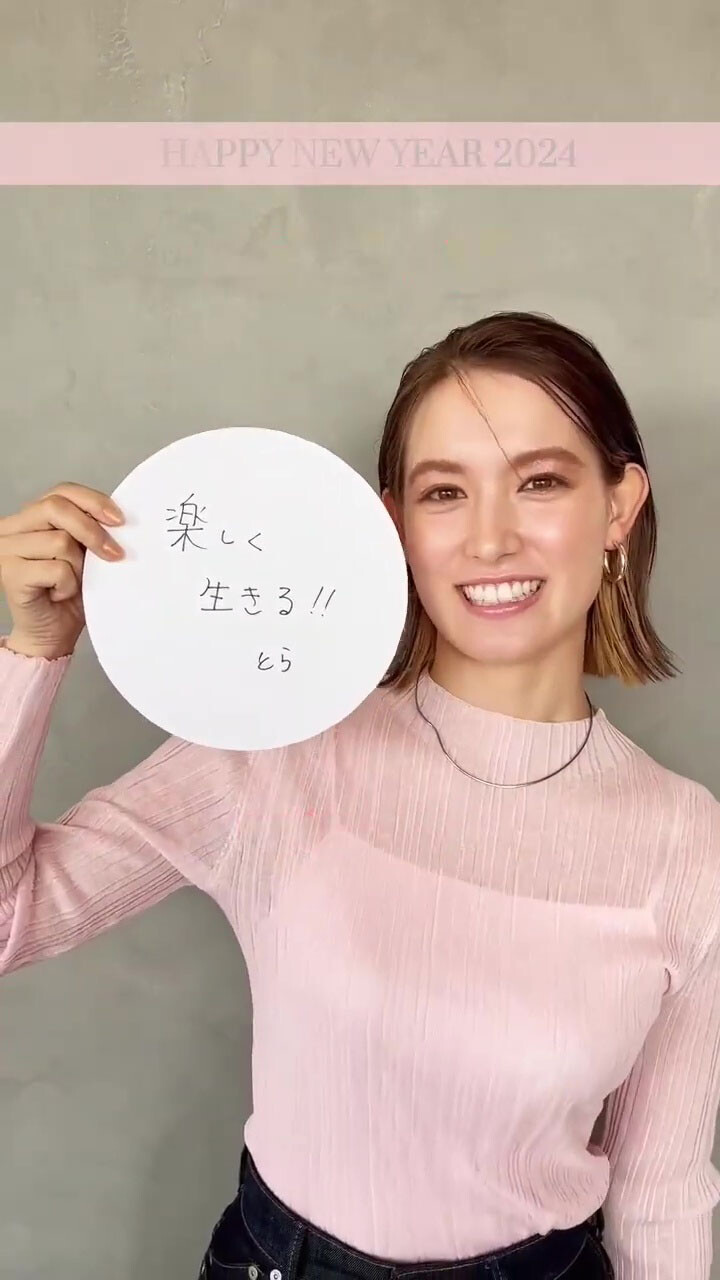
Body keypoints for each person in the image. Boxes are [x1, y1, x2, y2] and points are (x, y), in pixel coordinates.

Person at [1, 310, 719, 1280]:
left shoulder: (687, 842)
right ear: (392, 527)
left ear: (620, 507)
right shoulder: (276, 750)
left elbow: (663, 1191)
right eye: (444, 493)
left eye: (541, 481)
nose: (492, 537)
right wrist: (34, 650)